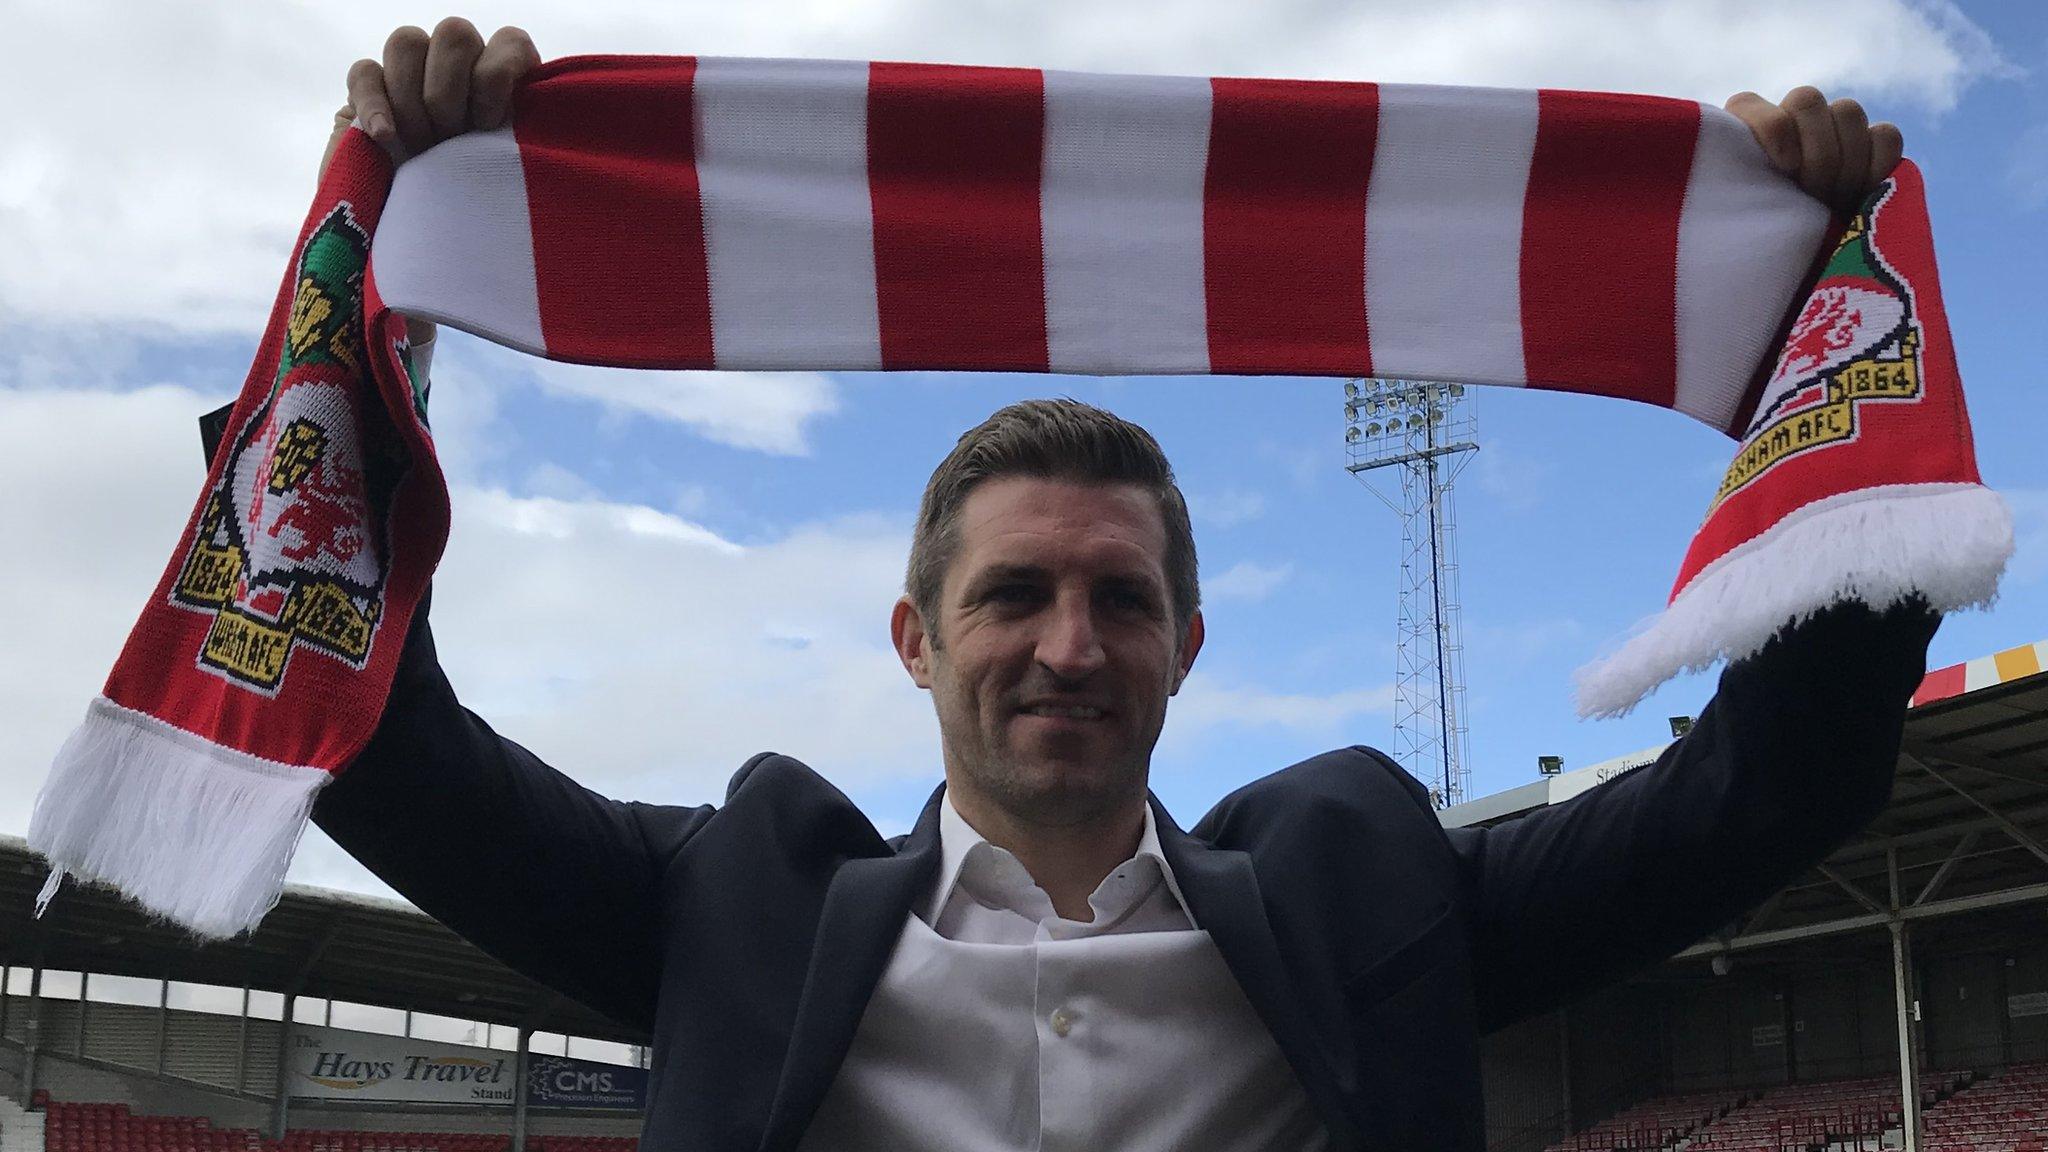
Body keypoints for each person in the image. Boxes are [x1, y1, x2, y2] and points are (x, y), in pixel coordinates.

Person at [306, 19, 1937, 1152]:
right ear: (913, 637)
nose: (1069, 646)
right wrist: (384, 306)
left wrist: (1832, 349)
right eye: (1014, 594)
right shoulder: (734, 906)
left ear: (1190, 645)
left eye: (1124, 602)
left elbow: (1773, 782)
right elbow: (375, 749)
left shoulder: (1373, 903)